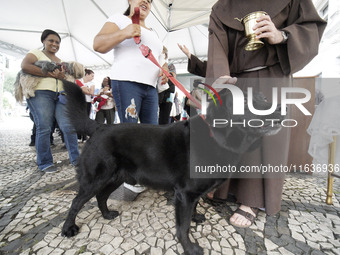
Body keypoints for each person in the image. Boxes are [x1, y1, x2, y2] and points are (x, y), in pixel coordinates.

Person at [204, 0, 327, 228]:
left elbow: (311, 27)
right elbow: (216, 44)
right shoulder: (222, 7)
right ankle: (225, 188)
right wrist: (219, 78)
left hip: (272, 74)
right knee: (230, 134)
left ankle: (253, 200)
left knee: (263, 138)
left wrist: (282, 36)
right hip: (235, 79)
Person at [93, 0, 167, 193]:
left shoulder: (154, 31)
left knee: (153, 134)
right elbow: (98, 44)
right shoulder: (119, 19)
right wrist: (125, 32)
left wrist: (164, 69)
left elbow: (160, 57)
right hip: (127, 82)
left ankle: (147, 174)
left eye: (150, 0)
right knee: (131, 134)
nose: (146, 1)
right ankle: (129, 178)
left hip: (150, 87)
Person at [23, 29, 79, 173]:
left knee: (68, 127)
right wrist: (50, 74)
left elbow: (64, 78)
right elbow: (25, 66)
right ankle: (45, 163)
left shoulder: (60, 61)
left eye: (57, 42)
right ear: (43, 41)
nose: (54, 44)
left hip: (61, 94)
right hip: (41, 93)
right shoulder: (36, 53)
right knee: (44, 127)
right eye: (51, 41)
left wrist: (62, 77)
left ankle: (77, 160)